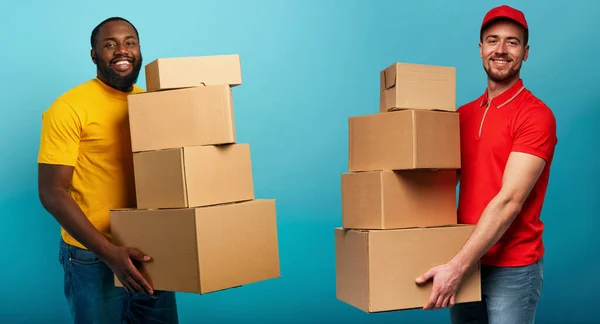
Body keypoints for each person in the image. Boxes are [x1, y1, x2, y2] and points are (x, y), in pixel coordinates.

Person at [415, 5, 557, 324]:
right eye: (493, 41)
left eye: (512, 42)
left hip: (512, 268)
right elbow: (433, 188)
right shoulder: (461, 116)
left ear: (526, 52)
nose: (501, 50)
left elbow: (509, 201)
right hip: (465, 259)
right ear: (481, 49)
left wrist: (456, 266)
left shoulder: (535, 116)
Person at [37, 17, 179, 323]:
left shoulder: (152, 105)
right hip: (93, 254)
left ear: (139, 50)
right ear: (94, 55)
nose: (122, 51)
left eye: (130, 42)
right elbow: (52, 192)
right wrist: (108, 252)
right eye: (109, 44)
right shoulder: (69, 108)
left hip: (150, 248)